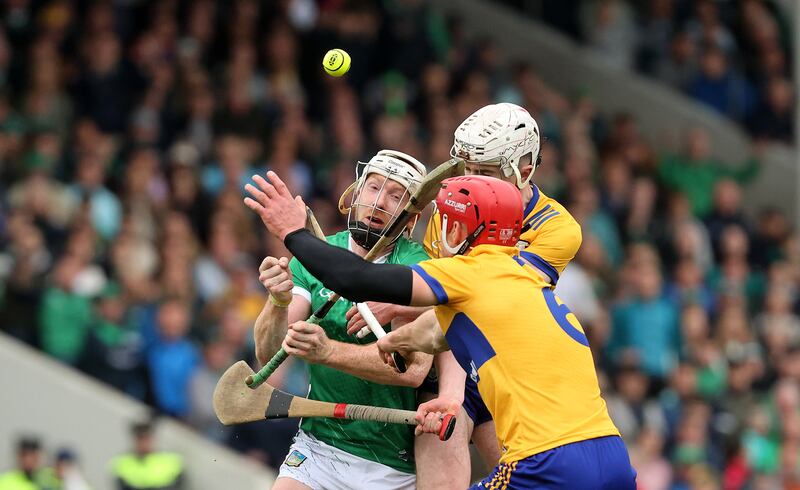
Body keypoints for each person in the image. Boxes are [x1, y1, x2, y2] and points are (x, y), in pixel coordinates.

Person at [245, 172, 636, 489]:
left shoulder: (466, 274)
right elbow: (435, 332)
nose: (437, 230)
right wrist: (397, 342)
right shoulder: (522, 274)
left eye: (447, 220)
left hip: (548, 460)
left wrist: (293, 234)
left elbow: (353, 277)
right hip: (611, 453)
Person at [345, 102, 582, 482]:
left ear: (524, 170)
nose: (472, 181)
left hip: (507, 374)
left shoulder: (558, 230)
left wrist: (400, 308)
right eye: (467, 169)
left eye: (485, 172)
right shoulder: (449, 208)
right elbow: (445, 299)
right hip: (453, 361)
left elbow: (485, 302)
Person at [250, 150, 444, 489]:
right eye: (373, 188)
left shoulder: (419, 271)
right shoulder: (316, 256)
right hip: (318, 446)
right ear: (354, 194)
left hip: (390, 464)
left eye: (396, 196)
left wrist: (327, 351)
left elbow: (412, 371)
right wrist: (278, 302)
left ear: (411, 218)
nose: (381, 202)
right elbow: (269, 356)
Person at [110, 422, 185, 490]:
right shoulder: (122, 463)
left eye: (146, 438)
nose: (143, 443)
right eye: (140, 439)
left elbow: (178, 484)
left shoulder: (171, 462)